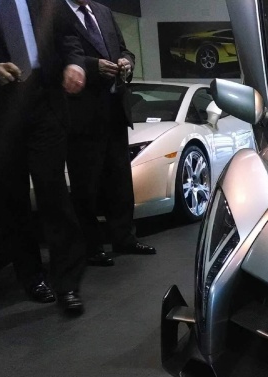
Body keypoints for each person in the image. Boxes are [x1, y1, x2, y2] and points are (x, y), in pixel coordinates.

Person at [0, 0, 88, 314]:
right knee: (11, 200)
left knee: (53, 191)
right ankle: (32, 277)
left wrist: (76, 64)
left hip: (45, 102)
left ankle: (67, 283)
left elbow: (67, 36)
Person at [63, 0, 155, 266]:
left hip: (116, 109)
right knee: (86, 186)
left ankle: (124, 238)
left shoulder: (102, 11)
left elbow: (125, 49)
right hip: (81, 115)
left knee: (120, 182)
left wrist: (127, 62)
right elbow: (55, 58)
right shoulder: (55, 12)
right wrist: (93, 66)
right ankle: (91, 247)